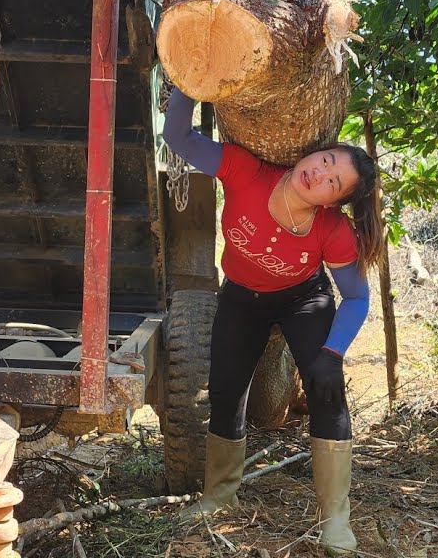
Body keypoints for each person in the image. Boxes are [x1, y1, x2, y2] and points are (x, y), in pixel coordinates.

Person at [163, 86, 381, 553]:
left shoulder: (333, 230)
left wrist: (332, 353)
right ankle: (219, 497)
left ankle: (335, 519)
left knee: (326, 391)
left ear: (333, 202)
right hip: (241, 297)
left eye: (332, 181)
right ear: (314, 152)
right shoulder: (246, 172)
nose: (319, 173)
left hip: (303, 300)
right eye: (325, 160)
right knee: (225, 392)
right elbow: (178, 137)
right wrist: (187, 85)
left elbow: (357, 298)